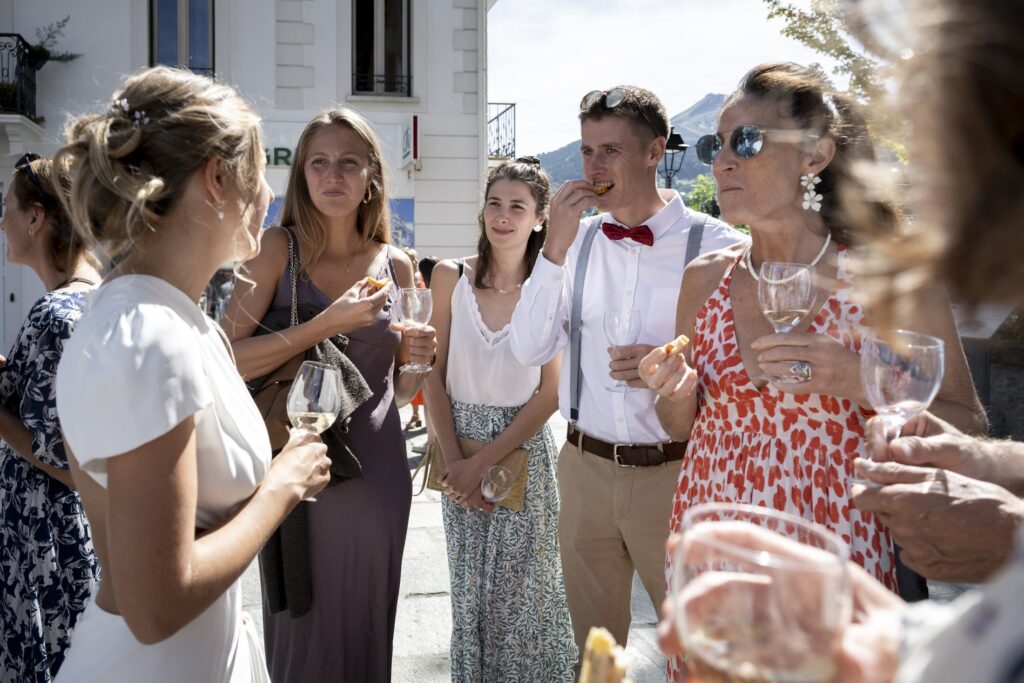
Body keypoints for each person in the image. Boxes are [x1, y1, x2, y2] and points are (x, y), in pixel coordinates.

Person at [656, 0, 1024, 678]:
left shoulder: (889, 281)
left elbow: (966, 426)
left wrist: (861, 377)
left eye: (746, 141)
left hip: (833, 557)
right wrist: (671, 395)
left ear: (816, 155)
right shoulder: (703, 276)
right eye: (716, 144)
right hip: (712, 544)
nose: (725, 161)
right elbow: (683, 427)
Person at [51, 66, 331, 682]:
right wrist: (281, 486)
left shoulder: (173, 319)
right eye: (259, 177)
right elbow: (155, 606)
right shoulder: (152, 336)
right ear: (217, 177)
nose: (268, 198)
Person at [509, 85, 746, 654]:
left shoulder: (720, 248)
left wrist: (671, 371)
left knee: (695, 650)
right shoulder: (575, 242)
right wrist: (553, 249)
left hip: (678, 477)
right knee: (594, 652)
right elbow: (527, 348)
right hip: (584, 468)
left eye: (610, 150)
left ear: (654, 151)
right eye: (588, 150)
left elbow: (743, 384)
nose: (593, 166)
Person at [223, 107, 436, 682]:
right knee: (303, 634)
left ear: (372, 177)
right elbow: (220, 358)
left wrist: (419, 361)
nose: (333, 175)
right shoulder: (274, 249)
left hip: (380, 474)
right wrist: (326, 322)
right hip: (300, 473)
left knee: (367, 627)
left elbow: (403, 385)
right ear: (303, 176)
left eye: (348, 162)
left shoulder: (397, 264)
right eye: (319, 162)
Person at [424, 157, 577, 680]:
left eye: (518, 206)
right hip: (455, 447)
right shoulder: (449, 277)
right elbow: (431, 374)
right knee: (470, 596)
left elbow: (550, 393)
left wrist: (483, 464)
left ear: (539, 219)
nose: (503, 216)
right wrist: (455, 463)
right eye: (495, 203)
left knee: (525, 598)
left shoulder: (550, 287)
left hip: (524, 453)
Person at [0, 154, 101, 682]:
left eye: (8, 209)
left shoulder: (54, 316)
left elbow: (67, 461)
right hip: (67, 545)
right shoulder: (91, 300)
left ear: (36, 219)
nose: (3, 222)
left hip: (45, 552)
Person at [404, 247, 426, 432]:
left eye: (414, 259)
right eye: (410, 258)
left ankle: (427, 421)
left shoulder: (420, 279)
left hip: (422, 328)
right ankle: (415, 414)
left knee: (424, 381)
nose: (413, 261)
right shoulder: (398, 276)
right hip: (408, 331)